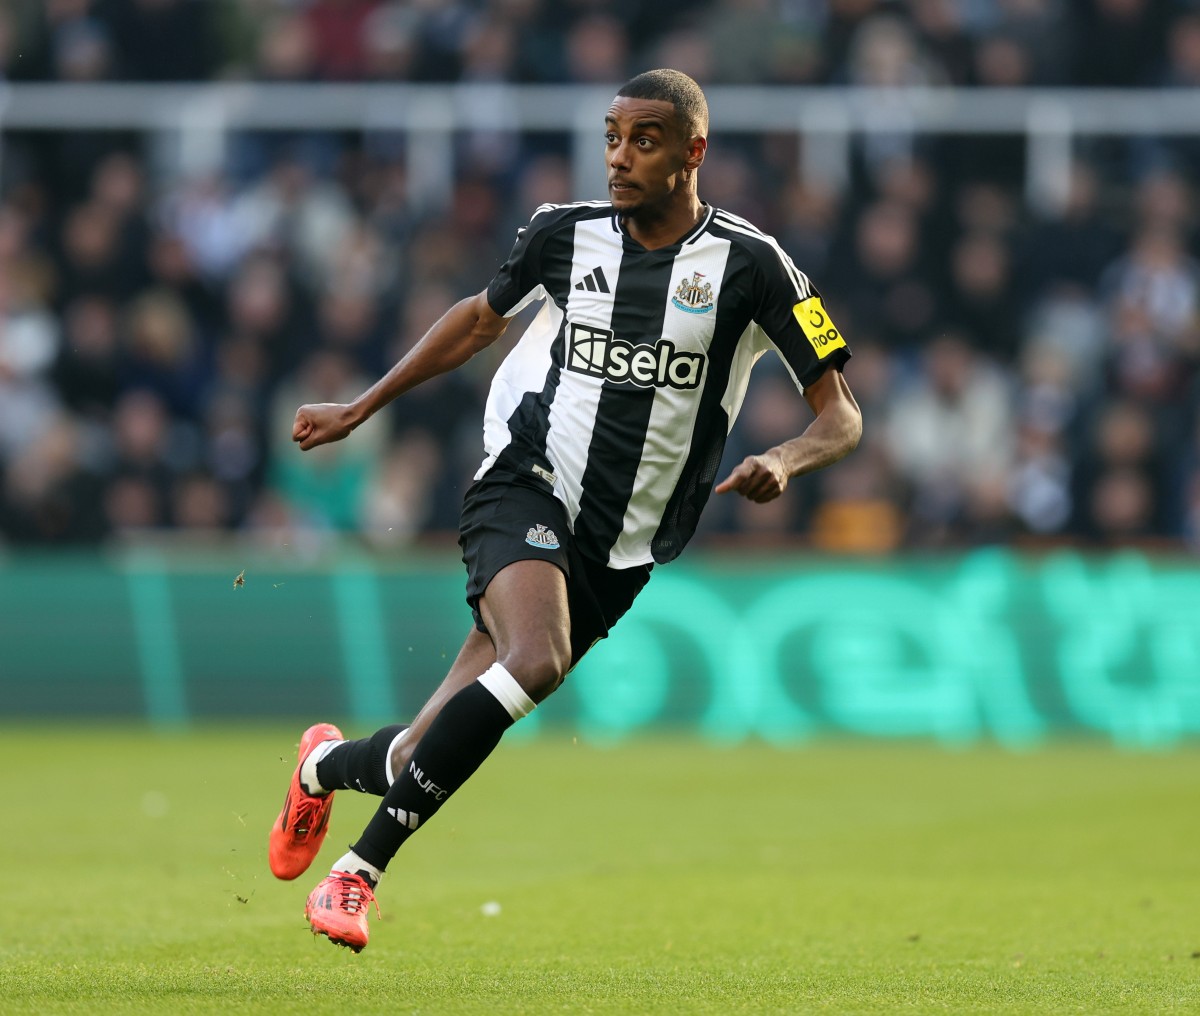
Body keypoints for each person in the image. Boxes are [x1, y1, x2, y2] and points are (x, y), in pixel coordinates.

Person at [268, 68, 862, 953]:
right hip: (526, 479)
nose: (621, 157)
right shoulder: (563, 236)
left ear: (693, 151)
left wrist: (786, 456)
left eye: (645, 140)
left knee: (419, 752)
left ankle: (320, 765)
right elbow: (476, 321)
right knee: (534, 660)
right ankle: (356, 875)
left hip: (620, 550)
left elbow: (841, 412)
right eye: (613, 137)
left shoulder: (753, 265)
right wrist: (362, 406)